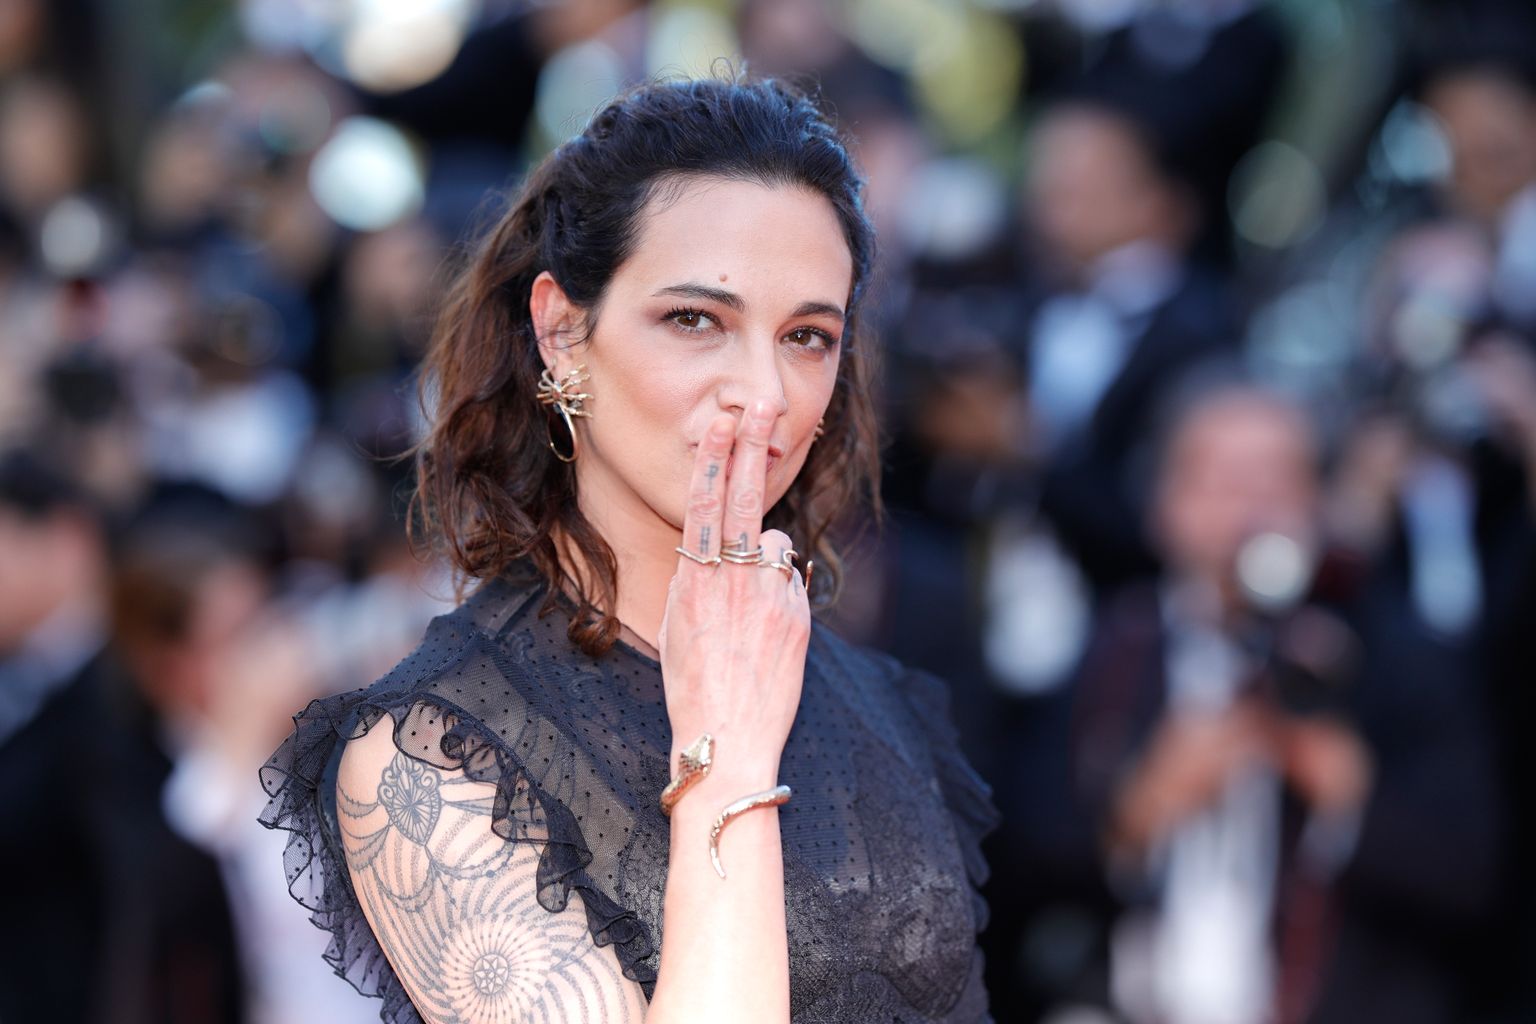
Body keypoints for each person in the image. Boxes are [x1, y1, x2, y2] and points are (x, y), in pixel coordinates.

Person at [260, 75, 998, 1024]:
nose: (763, 394)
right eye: (696, 320)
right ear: (563, 332)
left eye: (808, 336)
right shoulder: (433, 762)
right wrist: (727, 752)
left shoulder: (878, 699)